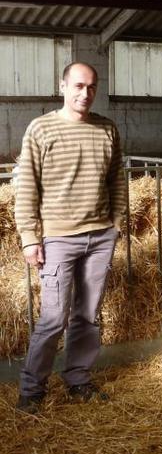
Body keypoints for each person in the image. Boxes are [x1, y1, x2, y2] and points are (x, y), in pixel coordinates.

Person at [14, 62, 126, 414]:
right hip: (59, 238)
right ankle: (32, 390)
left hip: (100, 236)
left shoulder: (107, 129)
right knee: (52, 318)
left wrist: (117, 223)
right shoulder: (41, 129)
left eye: (91, 87)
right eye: (78, 86)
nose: (85, 94)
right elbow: (27, 186)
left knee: (88, 315)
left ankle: (78, 379)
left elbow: (118, 180)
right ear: (62, 86)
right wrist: (30, 238)